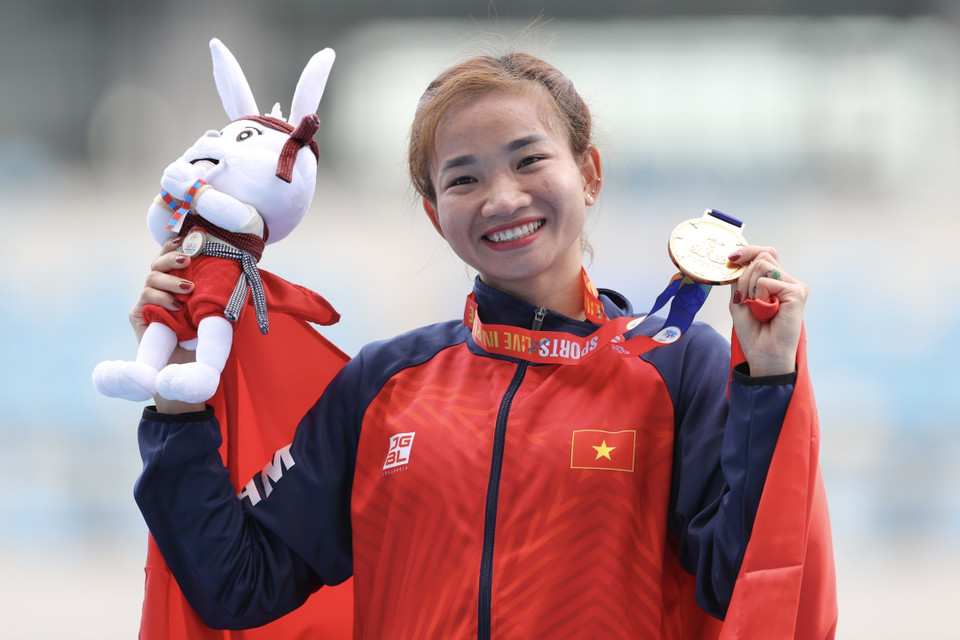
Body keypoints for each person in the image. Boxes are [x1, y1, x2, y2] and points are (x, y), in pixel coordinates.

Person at [130, 51, 836, 638]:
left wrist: (767, 382)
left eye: (529, 161)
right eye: (464, 178)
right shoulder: (383, 385)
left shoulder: (678, 368)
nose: (502, 198)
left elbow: (743, 585)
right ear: (437, 216)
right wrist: (178, 403)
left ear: (588, 174)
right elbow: (238, 587)